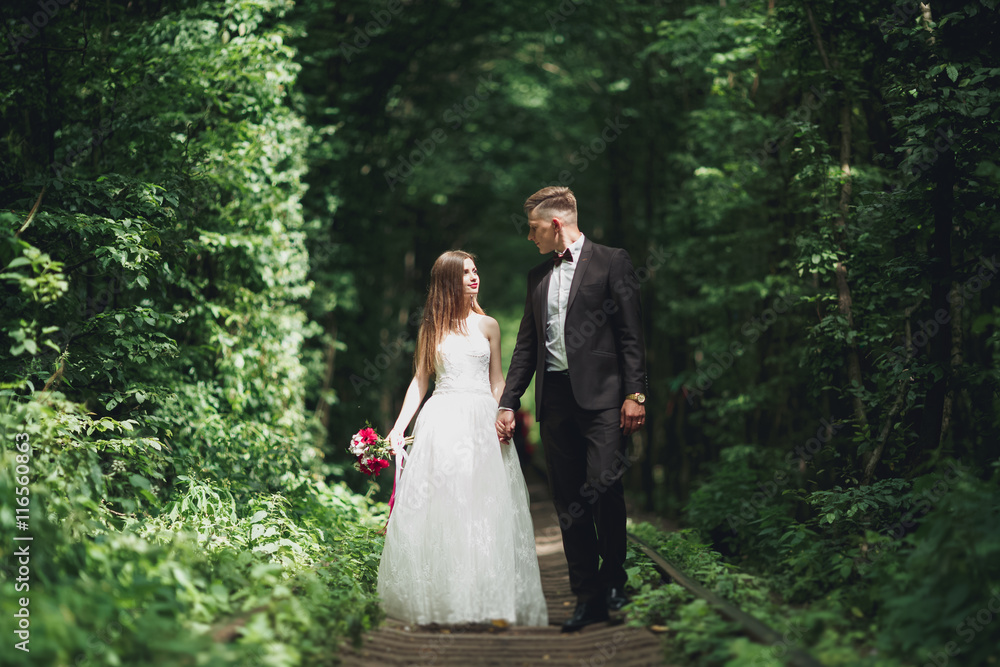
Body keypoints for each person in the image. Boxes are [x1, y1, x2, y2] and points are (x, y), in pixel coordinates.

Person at [496, 187, 647, 633]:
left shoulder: (612, 261)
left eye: (534, 228)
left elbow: (630, 334)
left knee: (604, 483)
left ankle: (615, 581)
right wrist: (509, 401)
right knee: (569, 503)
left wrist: (635, 394)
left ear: (556, 224)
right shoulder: (537, 276)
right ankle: (588, 598)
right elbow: (526, 346)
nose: (530, 237)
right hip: (555, 400)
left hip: (604, 397)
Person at [377, 250, 548, 627]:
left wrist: (505, 409)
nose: (474, 278)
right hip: (441, 421)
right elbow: (420, 381)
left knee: (483, 508)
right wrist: (399, 426)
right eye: (465, 273)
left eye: (475, 271)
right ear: (447, 281)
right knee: (444, 508)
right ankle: (442, 602)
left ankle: (488, 602)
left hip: (482, 422)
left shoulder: (488, 325)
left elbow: (497, 379)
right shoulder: (431, 328)